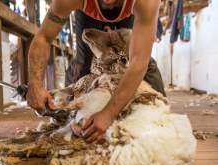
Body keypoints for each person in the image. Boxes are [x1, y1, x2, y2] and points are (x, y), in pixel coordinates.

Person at [27, 0, 165, 144]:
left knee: (145, 65)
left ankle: (161, 116)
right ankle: (73, 117)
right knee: (83, 63)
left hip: (133, 12)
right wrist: (35, 84)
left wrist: (108, 113)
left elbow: (139, 60)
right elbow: (44, 37)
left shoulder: (146, 2)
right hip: (87, 11)